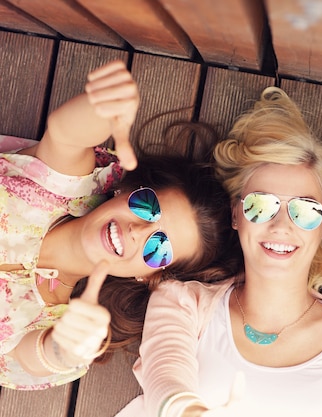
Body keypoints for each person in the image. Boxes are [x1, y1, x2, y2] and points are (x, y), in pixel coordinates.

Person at [117, 87, 322, 417]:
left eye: (305, 211)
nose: (281, 224)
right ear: (236, 215)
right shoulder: (182, 303)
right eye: (260, 205)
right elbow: (165, 376)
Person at [1, 61, 239, 390]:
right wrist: (103, 108)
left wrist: (63, 350)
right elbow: (66, 134)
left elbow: (35, 356)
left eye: (160, 247)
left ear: (150, 276)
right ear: (125, 192)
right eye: (147, 206)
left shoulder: (56, 323)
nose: (139, 232)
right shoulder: (61, 186)